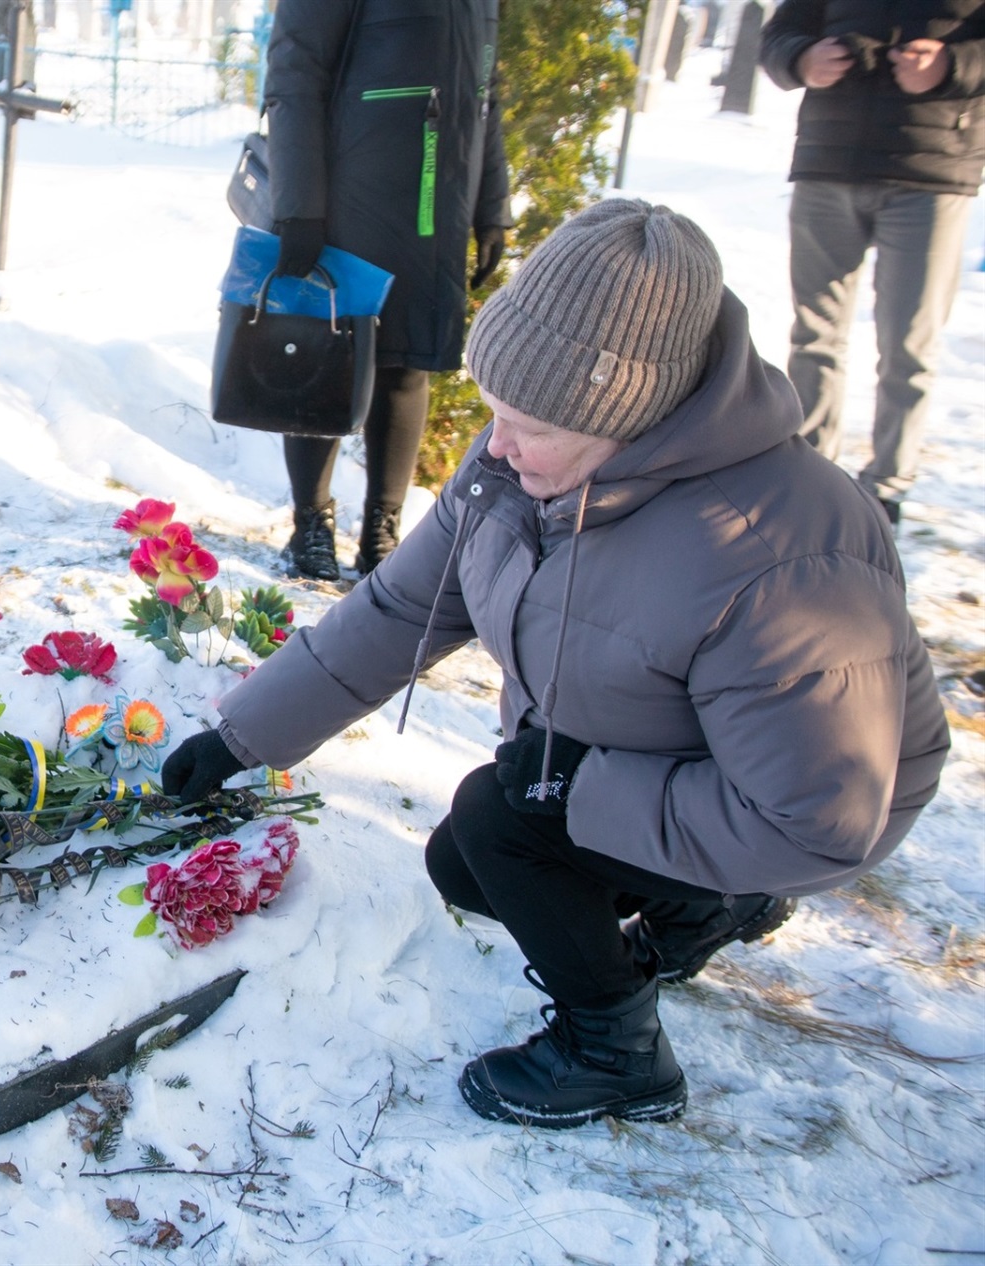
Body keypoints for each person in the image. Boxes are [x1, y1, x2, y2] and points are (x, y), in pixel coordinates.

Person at [161, 200, 950, 1128]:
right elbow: (404, 606)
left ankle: (618, 1052)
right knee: (472, 860)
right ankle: (705, 909)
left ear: (627, 414)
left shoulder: (774, 551)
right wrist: (244, 734)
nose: (494, 443)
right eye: (495, 409)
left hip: (789, 807)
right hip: (642, 762)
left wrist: (579, 787)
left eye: (528, 422)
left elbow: (821, 818)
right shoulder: (521, 471)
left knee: (500, 824)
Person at [263, 0, 512, 582]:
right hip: (350, 193)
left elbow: (485, 89)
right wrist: (299, 210)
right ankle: (311, 525)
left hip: (436, 205)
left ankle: (382, 532)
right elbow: (293, 76)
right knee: (325, 355)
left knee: (408, 364)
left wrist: (491, 206)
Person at [759, 0, 985, 528]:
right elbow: (779, 37)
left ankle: (886, 488)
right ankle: (811, 473)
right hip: (828, 161)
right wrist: (803, 59)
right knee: (814, 336)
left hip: (932, 171)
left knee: (908, 344)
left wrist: (949, 67)